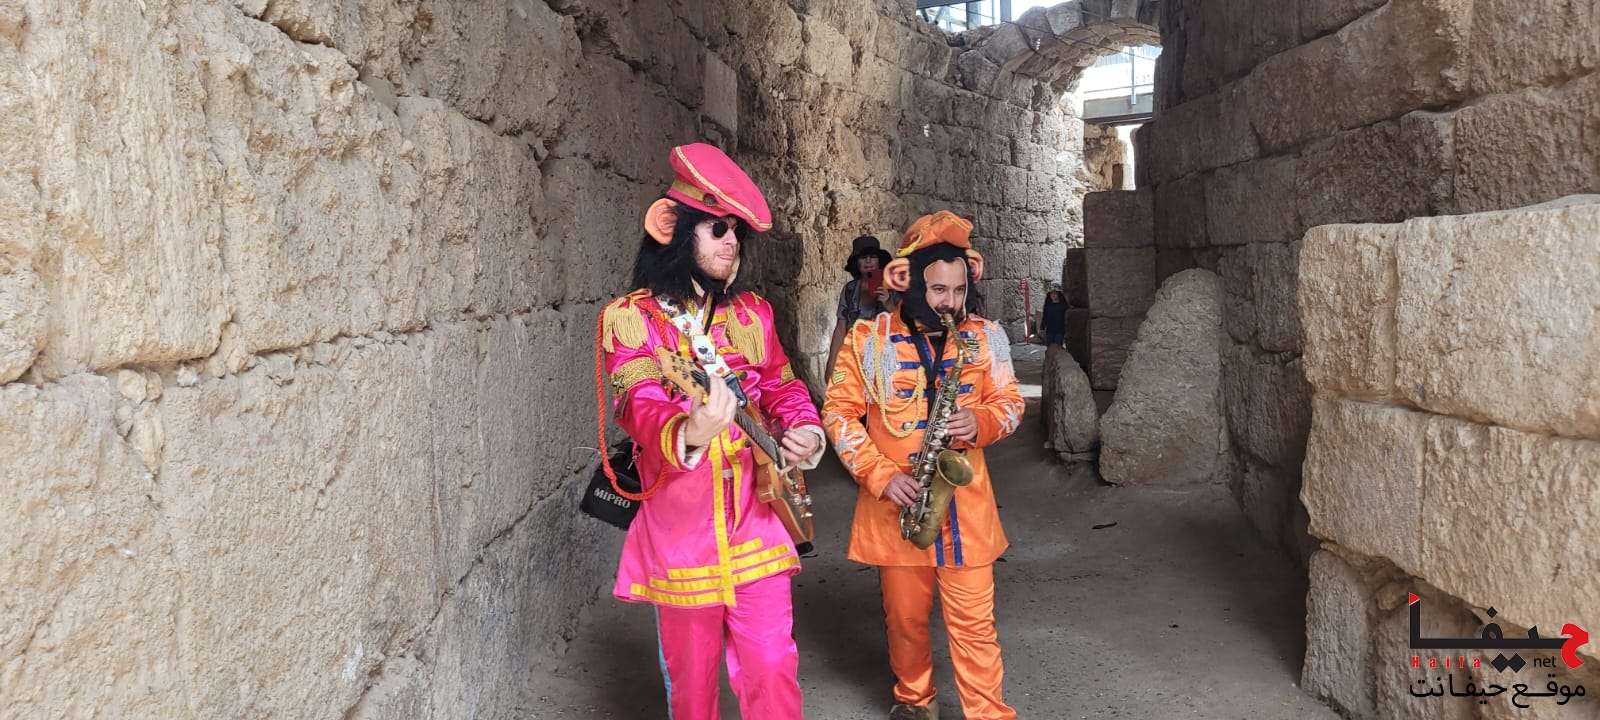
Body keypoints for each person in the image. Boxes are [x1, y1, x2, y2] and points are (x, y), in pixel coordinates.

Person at [597, 142, 826, 720]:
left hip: (758, 517)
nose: (731, 243)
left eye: (736, 233)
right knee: (692, 686)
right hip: (681, 533)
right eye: (717, 228)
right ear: (672, 227)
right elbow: (637, 402)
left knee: (772, 665)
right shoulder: (631, 318)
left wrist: (805, 428)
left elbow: (781, 384)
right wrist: (690, 430)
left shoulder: (753, 314)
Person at [822, 210, 1025, 720]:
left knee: (976, 625)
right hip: (897, 506)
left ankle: (988, 714)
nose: (949, 302)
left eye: (957, 291)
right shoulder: (867, 339)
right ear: (911, 284)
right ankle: (915, 703)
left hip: (967, 511)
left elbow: (1011, 403)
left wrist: (982, 421)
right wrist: (880, 475)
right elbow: (838, 413)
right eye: (937, 290)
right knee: (905, 622)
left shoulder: (987, 337)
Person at [826, 235, 894, 382]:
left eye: (873, 257)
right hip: (854, 356)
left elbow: (903, 325)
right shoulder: (850, 290)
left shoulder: (891, 288)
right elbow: (840, 329)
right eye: (863, 257)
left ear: (879, 261)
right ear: (857, 262)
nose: (868, 261)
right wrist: (831, 365)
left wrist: (888, 303)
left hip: (884, 357)